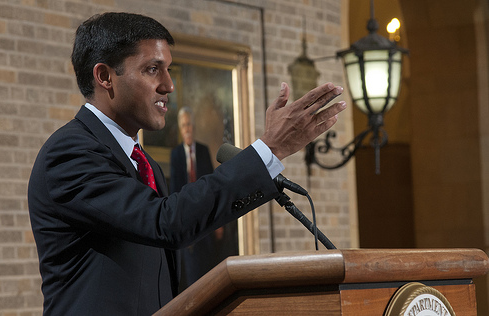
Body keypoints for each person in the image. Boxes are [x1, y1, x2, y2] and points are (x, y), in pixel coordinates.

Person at [27, 12, 346, 316]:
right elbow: (166, 222)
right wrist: (270, 148)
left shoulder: (144, 163)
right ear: (105, 76)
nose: (169, 85)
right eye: (152, 69)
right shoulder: (69, 153)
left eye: (168, 69)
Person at [170, 107, 237, 291]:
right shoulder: (175, 155)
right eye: (184, 125)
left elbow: (212, 186)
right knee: (192, 279)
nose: (188, 129)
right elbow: (174, 191)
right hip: (187, 221)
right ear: (180, 128)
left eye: (190, 124)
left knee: (209, 274)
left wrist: (218, 223)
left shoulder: (203, 151)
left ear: (194, 126)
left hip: (206, 221)